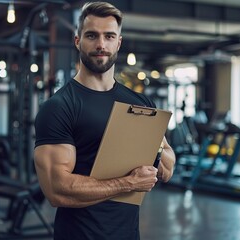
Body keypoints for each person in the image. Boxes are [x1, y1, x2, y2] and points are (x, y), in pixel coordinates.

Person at [34, 2, 176, 239]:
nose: (101, 44)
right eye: (92, 35)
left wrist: (154, 147)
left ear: (118, 42)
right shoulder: (59, 107)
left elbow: (167, 168)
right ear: (78, 41)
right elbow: (57, 190)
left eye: (109, 36)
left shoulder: (139, 104)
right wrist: (129, 183)